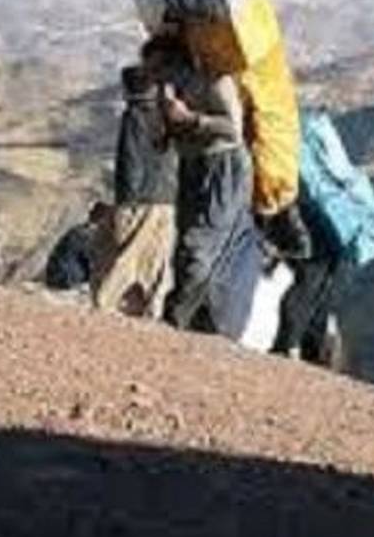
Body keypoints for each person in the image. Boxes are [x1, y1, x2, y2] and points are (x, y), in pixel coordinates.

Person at [139, 34, 263, 337]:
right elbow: (161, 141)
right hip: (191, 166)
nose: (155, 77)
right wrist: (163, 123)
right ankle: (196, 321)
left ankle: (177, 318)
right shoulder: (167, 91)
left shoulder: (214, 81)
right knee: (185, 243)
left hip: (223, 167)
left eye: (158, 69)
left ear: (175, 62)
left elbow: (232, 130)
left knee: (200, 244)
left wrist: (191, 118)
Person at [89, 64, 179, 318]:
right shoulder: (167, 115)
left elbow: (131, 162)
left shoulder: (135, 116)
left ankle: (106, 306)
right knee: (154, 261)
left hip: (139, 201)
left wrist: (125, 201)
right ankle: (151, 310)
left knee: (124, 257)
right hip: (167, 200)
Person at [270, 196, 347, 367]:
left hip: (316, 242)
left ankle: (287, 347)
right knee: (316, 298)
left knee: (302, 296)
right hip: (332, 241)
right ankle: (307, 353)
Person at [45, 202, 113, 291]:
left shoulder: (78, 229)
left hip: (56, 276)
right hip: (64, 279)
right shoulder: (86, 234)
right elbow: (92, 262)